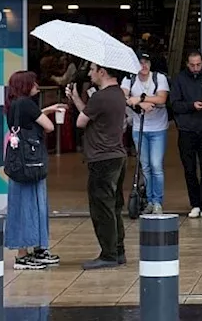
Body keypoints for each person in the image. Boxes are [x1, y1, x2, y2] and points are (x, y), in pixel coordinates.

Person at [70, 62, 129, 270]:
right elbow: (90, 116)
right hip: (117, 155)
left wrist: (77, 99)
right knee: (114, 206)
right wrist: (77, 98)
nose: (90, 73)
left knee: (101, 208)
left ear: (102, 72)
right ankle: (118, 250)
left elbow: (81, 122)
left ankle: (108, 254)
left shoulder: (100, 97)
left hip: (101, 158)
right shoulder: (119, 94)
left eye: (93, 70)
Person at [5, 71, 65, 270]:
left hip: (19, 163)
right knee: (34, 205)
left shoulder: (14, 105)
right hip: (31, 164)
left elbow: (29, 120)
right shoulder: (27, 104)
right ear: (25, 85)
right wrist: (48, 114)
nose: (37, 85)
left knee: (23, 205)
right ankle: (25, 255)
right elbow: (48, 127)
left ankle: (33, 250)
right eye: (33, 82)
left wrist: (46, 109)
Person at [168, 51, 202, 220]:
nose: (196, 68)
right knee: (189, 169)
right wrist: (192, 106)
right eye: (192, 65)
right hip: (186, 130)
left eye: (198, 64)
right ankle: (195, 204)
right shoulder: (179, 79)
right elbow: (174, 104)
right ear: (187, 64)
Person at [120, 53, 170, 215]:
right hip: (139, 127)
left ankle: (157, 201)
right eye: (140, 62)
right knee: (146, 166)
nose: (144, 66)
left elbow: (162, 98)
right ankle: (149, 200)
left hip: (158, 128)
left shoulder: (159, 78)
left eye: (146, 62)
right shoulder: (129, 79)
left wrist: (140, 98)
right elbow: (123, 96)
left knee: (156, 166)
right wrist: (143, 103)